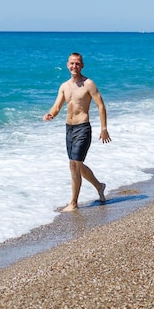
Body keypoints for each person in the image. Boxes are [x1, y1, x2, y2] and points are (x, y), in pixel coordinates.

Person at [43, 52, 111, 212]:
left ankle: (73, 203)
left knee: (74, 165)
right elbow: (57, 106)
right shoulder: (64, 86)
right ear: (68, 65)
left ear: (82, 66)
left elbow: (100, 105)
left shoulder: (89, 84)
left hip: (83, 127)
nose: (75, 66)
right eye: (72, 63)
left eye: (78, 63)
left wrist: (104, 128)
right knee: (76, 165)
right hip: (69, 128)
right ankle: (99, 186)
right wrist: (51, 114)